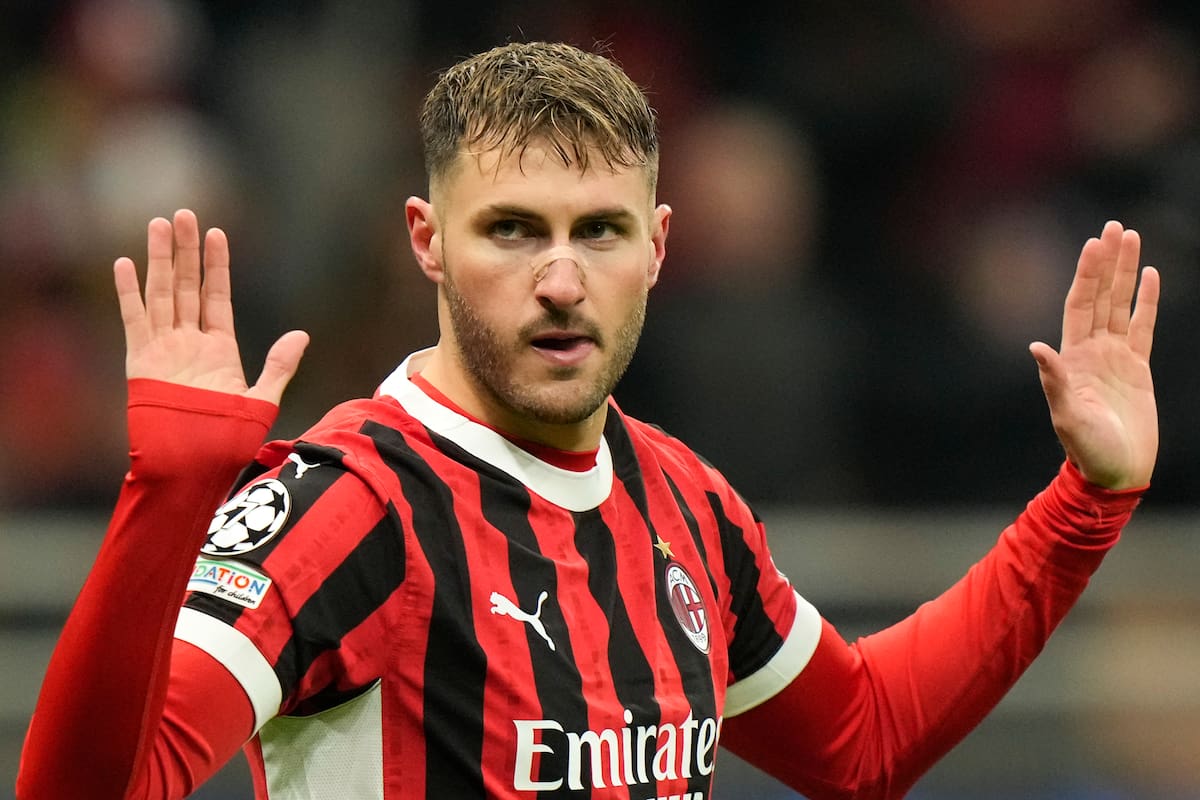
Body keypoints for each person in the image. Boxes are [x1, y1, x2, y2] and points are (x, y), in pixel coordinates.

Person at [16, 41, 1160, 800]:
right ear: (426, 240)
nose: (561, 279)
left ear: (658, 245)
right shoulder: (347, 505)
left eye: (599, 231)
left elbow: (861, 738)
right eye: (512, 229)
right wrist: (166, 502)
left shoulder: (684, 501)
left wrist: (1086, 502)